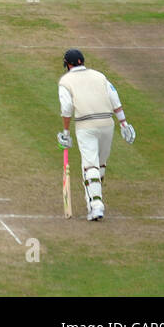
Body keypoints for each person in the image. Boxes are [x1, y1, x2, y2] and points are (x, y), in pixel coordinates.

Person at [57, 49, 134, 222]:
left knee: (90, 166)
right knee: (100, 164)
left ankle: (97, 205)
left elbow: (67, 108)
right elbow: (115, 99)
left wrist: (66, 132)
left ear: (67, 64)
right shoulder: (100, 76)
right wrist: (124, 123)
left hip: (86, 125)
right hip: (107, 124)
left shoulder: (65, 81)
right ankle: (91, 203)